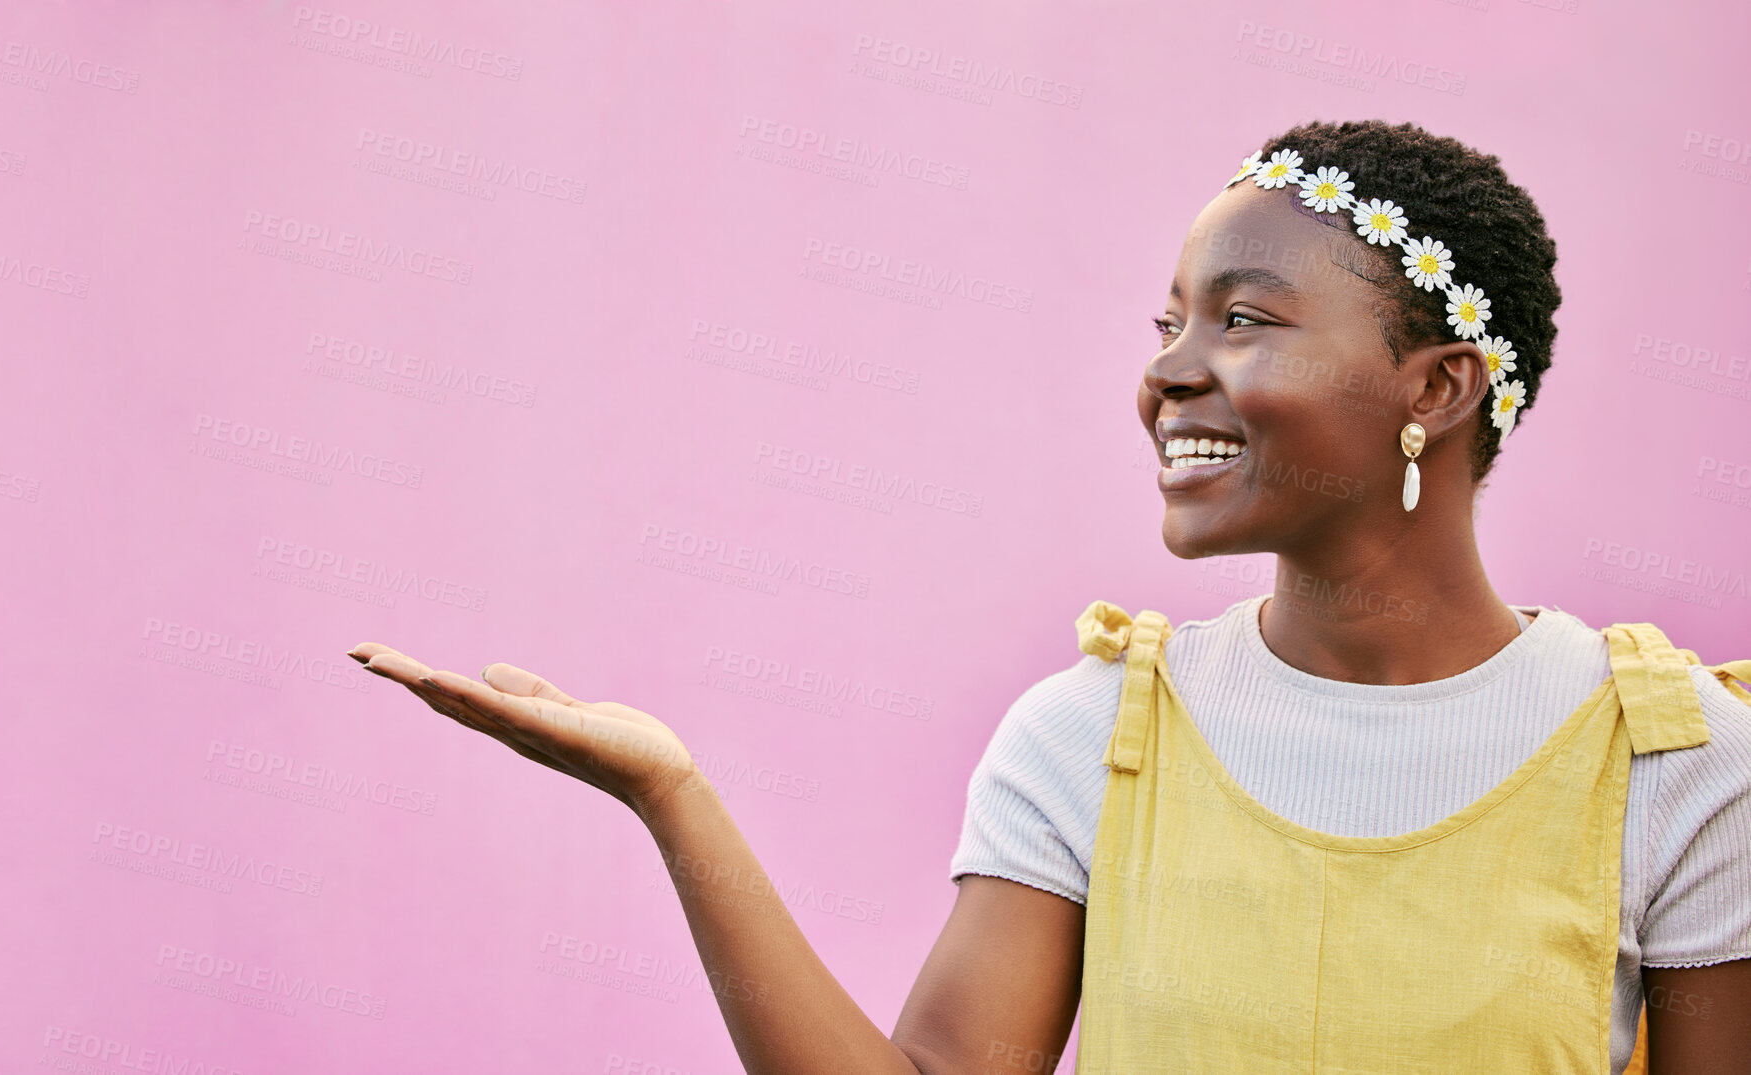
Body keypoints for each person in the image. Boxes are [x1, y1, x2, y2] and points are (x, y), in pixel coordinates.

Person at [348, 119, 1751, 1073]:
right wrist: (672, 797)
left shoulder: (1674, 758)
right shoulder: (1093, 735)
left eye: (1244, 320)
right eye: (1169, 325)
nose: (1170, 372)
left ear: (1437, 388)